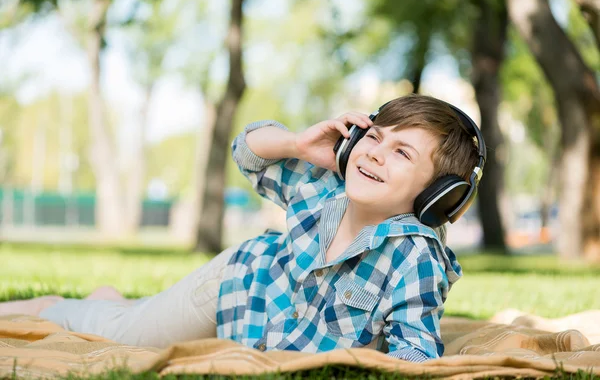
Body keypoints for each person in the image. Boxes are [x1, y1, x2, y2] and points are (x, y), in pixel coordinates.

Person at [0, 94, 483, 362]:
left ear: (440, 195)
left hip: (254, 336)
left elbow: (416, 351)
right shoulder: (322, 185)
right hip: (230, 289)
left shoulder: (414, 258)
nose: (375, 152)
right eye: (374, 136)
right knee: (122, 334)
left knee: (135, 318)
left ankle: (111, 299)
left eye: (403, 153)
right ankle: (56, 308)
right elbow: (247, 151)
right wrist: (297, 142)